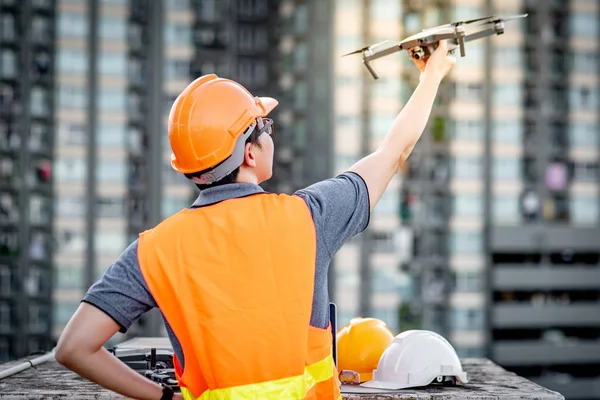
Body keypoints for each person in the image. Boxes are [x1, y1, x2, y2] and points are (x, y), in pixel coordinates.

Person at [55, 41, 455, 400]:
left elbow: (73, 348)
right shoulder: (309, 218)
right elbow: (393, 152)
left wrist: (163, 398)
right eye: (265, 127)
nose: (271, 134)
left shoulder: (155, 249)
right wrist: (432, 74)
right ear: (249, 153)